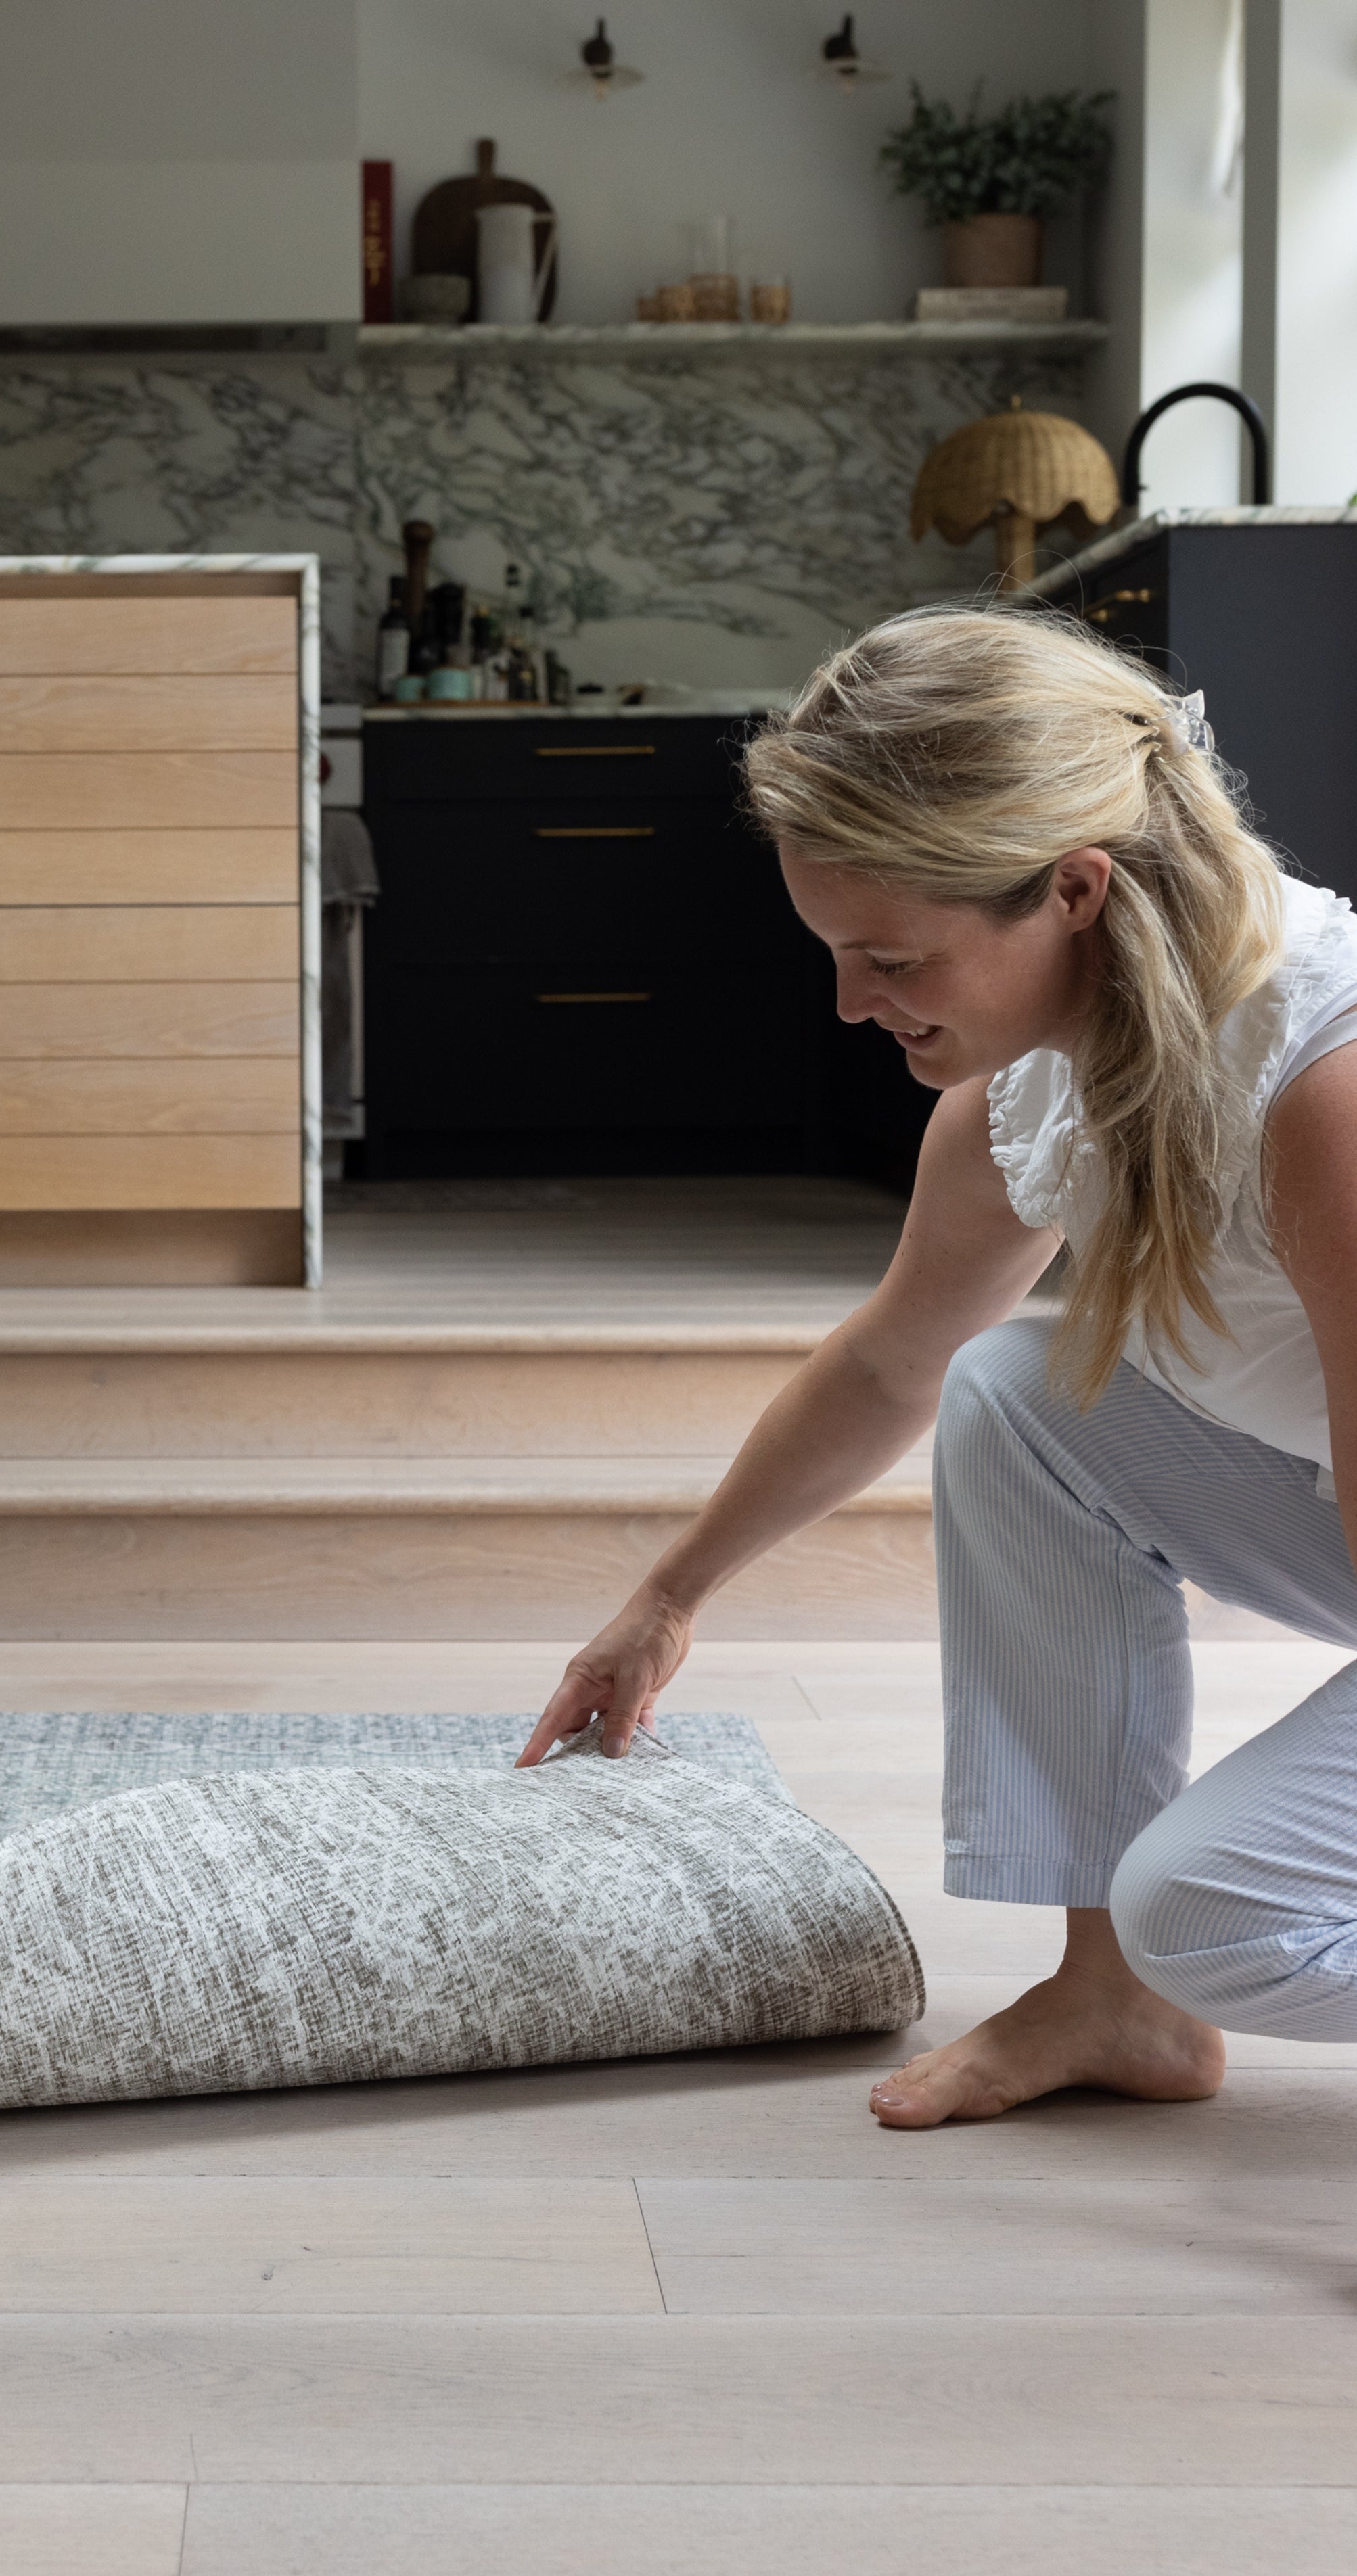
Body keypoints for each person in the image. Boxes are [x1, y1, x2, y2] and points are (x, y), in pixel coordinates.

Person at [517, 603, 1357, 2128]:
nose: (851, 1005)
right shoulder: (1025, 1095)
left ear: (1077, 891)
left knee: (1221, 1914)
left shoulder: (1329, 1086)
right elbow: (889, 1363)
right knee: (1012, 1395)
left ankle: (1155, 1962)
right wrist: (668, 1597)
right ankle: (1112, 2004)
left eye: (888, 957)